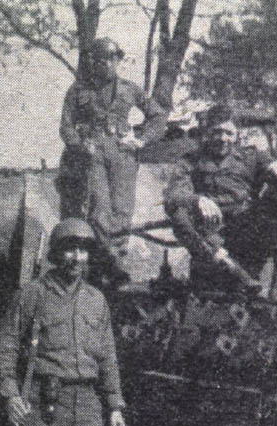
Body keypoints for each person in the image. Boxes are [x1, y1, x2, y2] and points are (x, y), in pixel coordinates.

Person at [0, 218, 126, 426]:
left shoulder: (96, 300)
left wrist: (114, 407)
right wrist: (11, 395)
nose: (77, 257)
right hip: (44, 402)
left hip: (88, 406)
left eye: (84, 250)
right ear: (56, 253)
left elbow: (107, 357)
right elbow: (6, 346)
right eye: (70, 249)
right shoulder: (32, 294)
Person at [57, 37, 167, 283]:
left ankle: (116, 259)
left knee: (123, 210)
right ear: (92, 63)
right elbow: (65, 127)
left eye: (110, 59)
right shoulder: (78, 91)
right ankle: (107, 260)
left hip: (122, 154)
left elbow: (158, 116)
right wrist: (80, 145)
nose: (104, 64)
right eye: (98, 60)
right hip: (92, 153)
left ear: (117, 60)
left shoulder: (130, 89)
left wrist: (141, 139)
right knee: (98, 208)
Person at [163, 104, 277, 290]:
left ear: (236, 134)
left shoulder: (251, 156)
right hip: (210, 233)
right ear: (207, 132)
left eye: (228, 133)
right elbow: (173, 195)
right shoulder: (191, 161)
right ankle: (233, 269)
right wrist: (197, 200)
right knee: (179, 213)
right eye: (216, 132)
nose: (223, 138)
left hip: (246, 226)